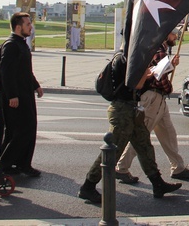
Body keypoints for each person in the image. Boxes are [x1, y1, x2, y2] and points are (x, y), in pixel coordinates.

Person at [78, 45, 182, 204]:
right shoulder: (125, 60)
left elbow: (141, 84)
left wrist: (153, 72)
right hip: (122, 112)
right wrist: (148, 73)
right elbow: (138, 84)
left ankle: (157, 183)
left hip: (132, 109)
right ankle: (88, 186)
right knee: (112, 151)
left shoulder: (130, 58)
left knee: (144, 145)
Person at [114, 29, 189, 184]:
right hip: (153, 98)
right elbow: (158, 79)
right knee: (141, 135)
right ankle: (121, 167)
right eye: (173, 34)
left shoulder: (158, 49)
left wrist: (171, 65)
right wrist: (169, 88)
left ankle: (178, 167)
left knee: (169, 134)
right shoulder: (159, 51)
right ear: (166, 35)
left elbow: (158, 70)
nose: (176, 37)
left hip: (159, 100)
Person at [0, 12, 43, 177]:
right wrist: (12, 96)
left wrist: (36, 86)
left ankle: (21, 163)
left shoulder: (21, 44)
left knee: (25, 130)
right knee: (22, 130)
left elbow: (25, 71)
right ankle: (5, 164)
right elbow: (6, 73)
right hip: (15, 97)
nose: (31, 27)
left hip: (25, 94)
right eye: (28, 24)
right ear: (18, 27)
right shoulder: (11, 45)